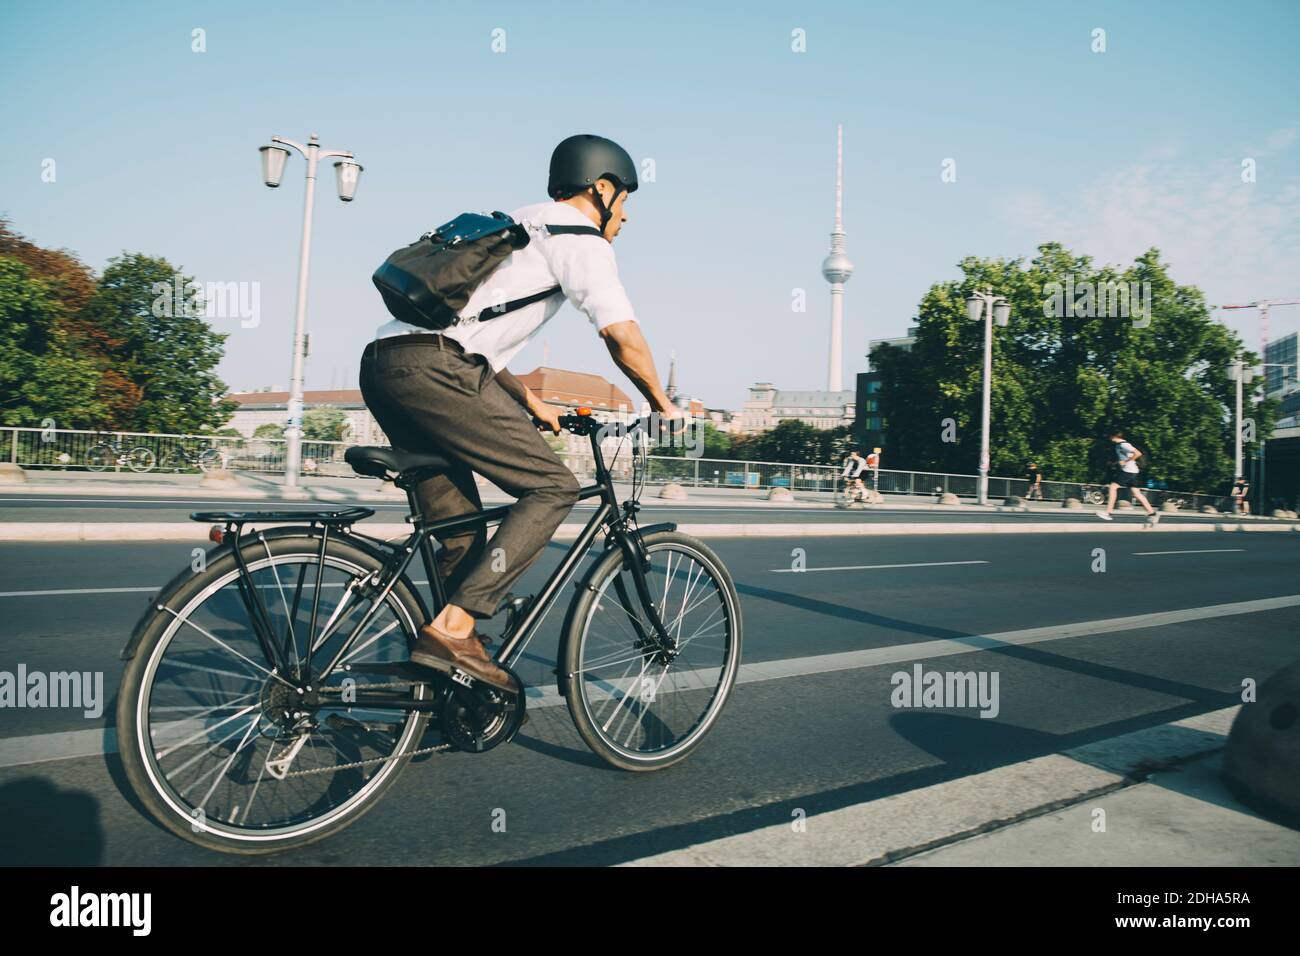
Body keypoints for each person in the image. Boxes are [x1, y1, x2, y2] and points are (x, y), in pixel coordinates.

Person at [359, 134, 681, 690]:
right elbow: (620, 334)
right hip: (439, 373)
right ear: (601, 188)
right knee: (552, 488)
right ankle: (455, 631)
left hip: (387, 365)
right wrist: (661, 401)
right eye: (624, 201)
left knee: (459, 531)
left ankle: (449, 663)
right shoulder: (582, 240)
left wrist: (530, 401)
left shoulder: (513, 225)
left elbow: (469, 331)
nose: (625, 217)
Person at [1096, 431, 1159, 524]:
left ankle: (1108, 513)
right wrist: (1117, 463)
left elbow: (1138, 453)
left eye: (1110, 436)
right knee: (1136, 493)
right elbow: (1124, 458)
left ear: (1114, 436)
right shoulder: (1119, 445)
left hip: (1128, 471)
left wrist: (1126, 461)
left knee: (1113, 487)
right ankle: (1152, 513)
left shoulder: (1124, 445)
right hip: (1132, 471)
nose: (1109, 438)